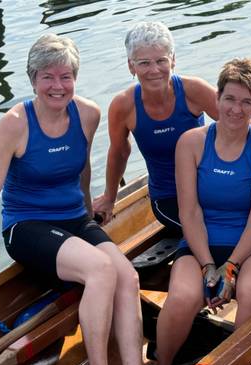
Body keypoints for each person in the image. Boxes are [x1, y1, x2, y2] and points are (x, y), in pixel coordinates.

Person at [0, 34, 143, 365]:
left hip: (73, 218)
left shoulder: (88, 114)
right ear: (33, 80)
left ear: (75, 78)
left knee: (128, 277)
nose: (58, 86)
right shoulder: (14, 124)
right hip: (26, 225)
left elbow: (82, 170)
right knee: (102, 271)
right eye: (48, 77)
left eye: (65, 76)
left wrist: (91, 214)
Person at [149, 58, 251, 365]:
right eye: (230, 99)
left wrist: (231, 267)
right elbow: (189, 212)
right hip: (199, 244)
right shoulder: (190, 143)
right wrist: (209, 265)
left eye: (246, 102)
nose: (236, 109)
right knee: (182, 297)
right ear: (217, 99)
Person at [93, 21, 219, 236]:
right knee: (215, 234)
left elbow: (242, 124)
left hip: (211, 186)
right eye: (144, 63)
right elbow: (119, 152)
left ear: (173, 60)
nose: (154, 70)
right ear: (131, 66)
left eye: (161, 60)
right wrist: (109, 197)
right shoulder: (123, 106)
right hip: (168, 197)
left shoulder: (194, 90)